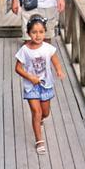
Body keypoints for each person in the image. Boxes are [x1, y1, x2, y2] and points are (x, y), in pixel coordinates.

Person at [15, 16, 65, 155]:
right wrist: (30, 77)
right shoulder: (24, 50)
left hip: (46, 85)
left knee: (45, 113)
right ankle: (39, 140)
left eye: (41, 32)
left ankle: (41, 120)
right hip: (31, 86)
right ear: (29, 33)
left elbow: (55, 61)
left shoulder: (48, 48)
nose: (38, 35)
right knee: (36, 112)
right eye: (34, 32)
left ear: (45, 32)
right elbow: (18, 68)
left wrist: (59, 71)